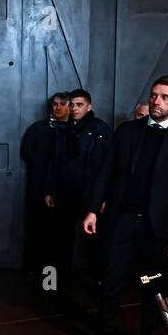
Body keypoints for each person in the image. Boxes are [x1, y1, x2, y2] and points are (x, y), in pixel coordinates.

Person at [81, 76, 168, 335]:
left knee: (151, 288)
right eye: (154, 96)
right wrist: (93, 209)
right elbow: (105, 172)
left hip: (155, 230)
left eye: (165, 98)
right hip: (121, 222)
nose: (157, 102)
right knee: (110, 284)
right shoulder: (127, 131)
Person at [45, 89, 111, 293]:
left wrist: (102, 197)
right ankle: (61, 280)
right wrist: (50, 190)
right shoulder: (63, 128)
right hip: (65, 192)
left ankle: (100, 282)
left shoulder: (100, 128)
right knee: (62, 237)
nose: (74, 108)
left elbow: (106, 167)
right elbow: (54, 161)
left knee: (92, 240)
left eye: (79, 104)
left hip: (89, 193)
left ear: (89, 106)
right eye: (72, 104)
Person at [20, 93, 69, 279]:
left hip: (63, 191)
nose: (57, 108)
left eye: (62, 104)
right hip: (38, 189)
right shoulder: (38, 129)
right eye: (54, 104)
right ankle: (36, 269)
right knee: (37, 230)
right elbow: (27, 152)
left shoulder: (73, 130)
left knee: (59, 233)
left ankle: (57, 271)